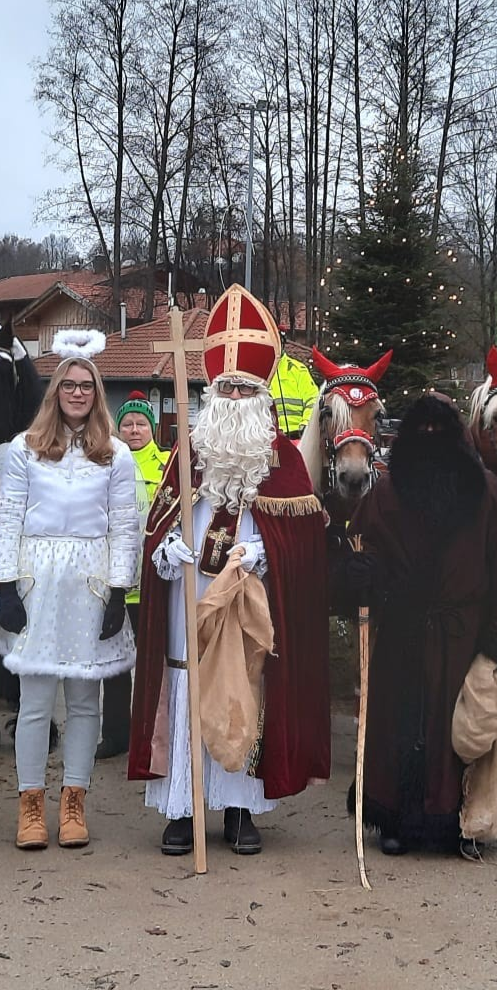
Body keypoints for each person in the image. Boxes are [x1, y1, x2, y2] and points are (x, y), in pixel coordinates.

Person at [130, 289, 332, 857]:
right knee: (186, 684)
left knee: (244, 690)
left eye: (247, 388)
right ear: (213, 394)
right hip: (188, 596)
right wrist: (167, 549)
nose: (237, 394)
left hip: (250, 599)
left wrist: (269, 556)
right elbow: (161, 521)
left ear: (261, 398)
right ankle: (183, 807)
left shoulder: (284, 461)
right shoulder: (187, 452)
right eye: (228, 387)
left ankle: (241, 808)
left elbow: (305, 544)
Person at [343, 393, 497, 857]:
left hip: (461, 633)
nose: (430, 442)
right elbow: (365, 549)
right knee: (396, 723)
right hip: (403, 628)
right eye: (421, 434)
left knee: (460, 727)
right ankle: (393, 818)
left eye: (439, 433)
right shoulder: (386, 491)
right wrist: (363, 575)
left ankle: (457, 819)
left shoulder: (486, 491)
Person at [0, 332, 139, 851]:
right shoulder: (24, 451)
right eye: (68, 385)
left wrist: (119, 590)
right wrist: (5, 584)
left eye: (86, 386)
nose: (77, 393)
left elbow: (125, 524)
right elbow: (7, 519)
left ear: (97, 394)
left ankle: (74, 800)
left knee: (83, 701)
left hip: (91, 580)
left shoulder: (116, 455)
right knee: (33, 703)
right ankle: (30, 803)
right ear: (55, 392)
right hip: (38, 579)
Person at [98, 392, 168, 759]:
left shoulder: (168, 465)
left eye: (141, 424)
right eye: (128, 424)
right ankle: (115, 735)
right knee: (113, 664)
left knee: (153, 664)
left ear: (152, 429)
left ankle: (150, 735)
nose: (135, 430)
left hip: (154, 582)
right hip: (115, 582)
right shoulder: (106, 462)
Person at [269, 338, 319, 437]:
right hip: (267, 440)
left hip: (298, 438)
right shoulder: (256, 371)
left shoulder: (298, 370)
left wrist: (306, 426)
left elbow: (313, 400)